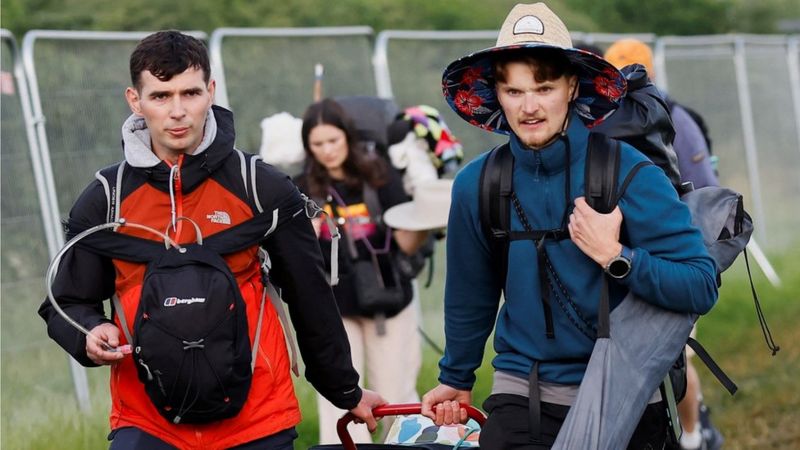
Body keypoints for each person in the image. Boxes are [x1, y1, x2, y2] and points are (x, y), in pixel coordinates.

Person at [37, 31, 384, 450]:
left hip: (258, 417)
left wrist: (345, 391)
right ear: (135, 100)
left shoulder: (261, 187)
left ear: (211, 92)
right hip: (146, 421)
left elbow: (310, 296)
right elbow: (67, 302)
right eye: (161, 96)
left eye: (191, 93)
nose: (178, 111)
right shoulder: (105, 200)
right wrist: (90, 332)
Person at [419, 3, 718, 450]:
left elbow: (700, 285)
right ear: (496, 95)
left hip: (627, 395)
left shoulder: (628, 173)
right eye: (514, 92)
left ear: (572, 86)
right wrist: (456, 378)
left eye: (544, 87)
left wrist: (617, 258)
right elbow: (469, 293)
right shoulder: (475, 185)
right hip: (522, 393)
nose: (530, 107)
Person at [605, 37, 724, 450]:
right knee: (674, 360)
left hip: (663, 262)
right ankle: (691, 435)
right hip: (661, 259)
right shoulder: (674, 118)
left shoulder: (605, 120)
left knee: (673, 361)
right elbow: (706, 190)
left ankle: (691, 435)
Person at [296, 99, 430, 444]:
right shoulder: (303, 187)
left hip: (388, 300)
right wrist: (305, 231)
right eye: (318, 144)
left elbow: (405, 242)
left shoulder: (380, 175)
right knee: (338, 399)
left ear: (348, 137)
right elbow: (298, 258)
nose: (327, 151)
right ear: (308, 147)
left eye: (333, 141)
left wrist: (427, 215)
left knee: (394, 394)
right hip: (334, 307)